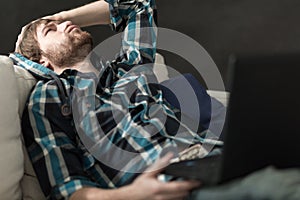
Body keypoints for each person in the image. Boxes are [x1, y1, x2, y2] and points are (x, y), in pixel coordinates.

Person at [10, 0, 223, 199]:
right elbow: (66, 189)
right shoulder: (49, 97)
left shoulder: (129, 67)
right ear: (41, 61)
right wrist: (132, 194)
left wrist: (60, 15)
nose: (65, 24)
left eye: (62, 23)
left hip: (213, 160)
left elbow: (139, 5)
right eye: (51, 30)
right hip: (171, 188)